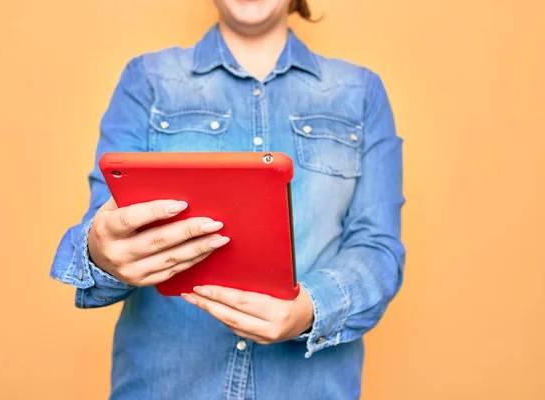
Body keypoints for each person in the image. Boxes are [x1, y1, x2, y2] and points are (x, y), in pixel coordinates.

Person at [50, 0, 405, 398]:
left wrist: (310, 307)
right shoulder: (146, 80)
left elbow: (378, 248)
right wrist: (102, 250)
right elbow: (101, 227)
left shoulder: (361, 93)